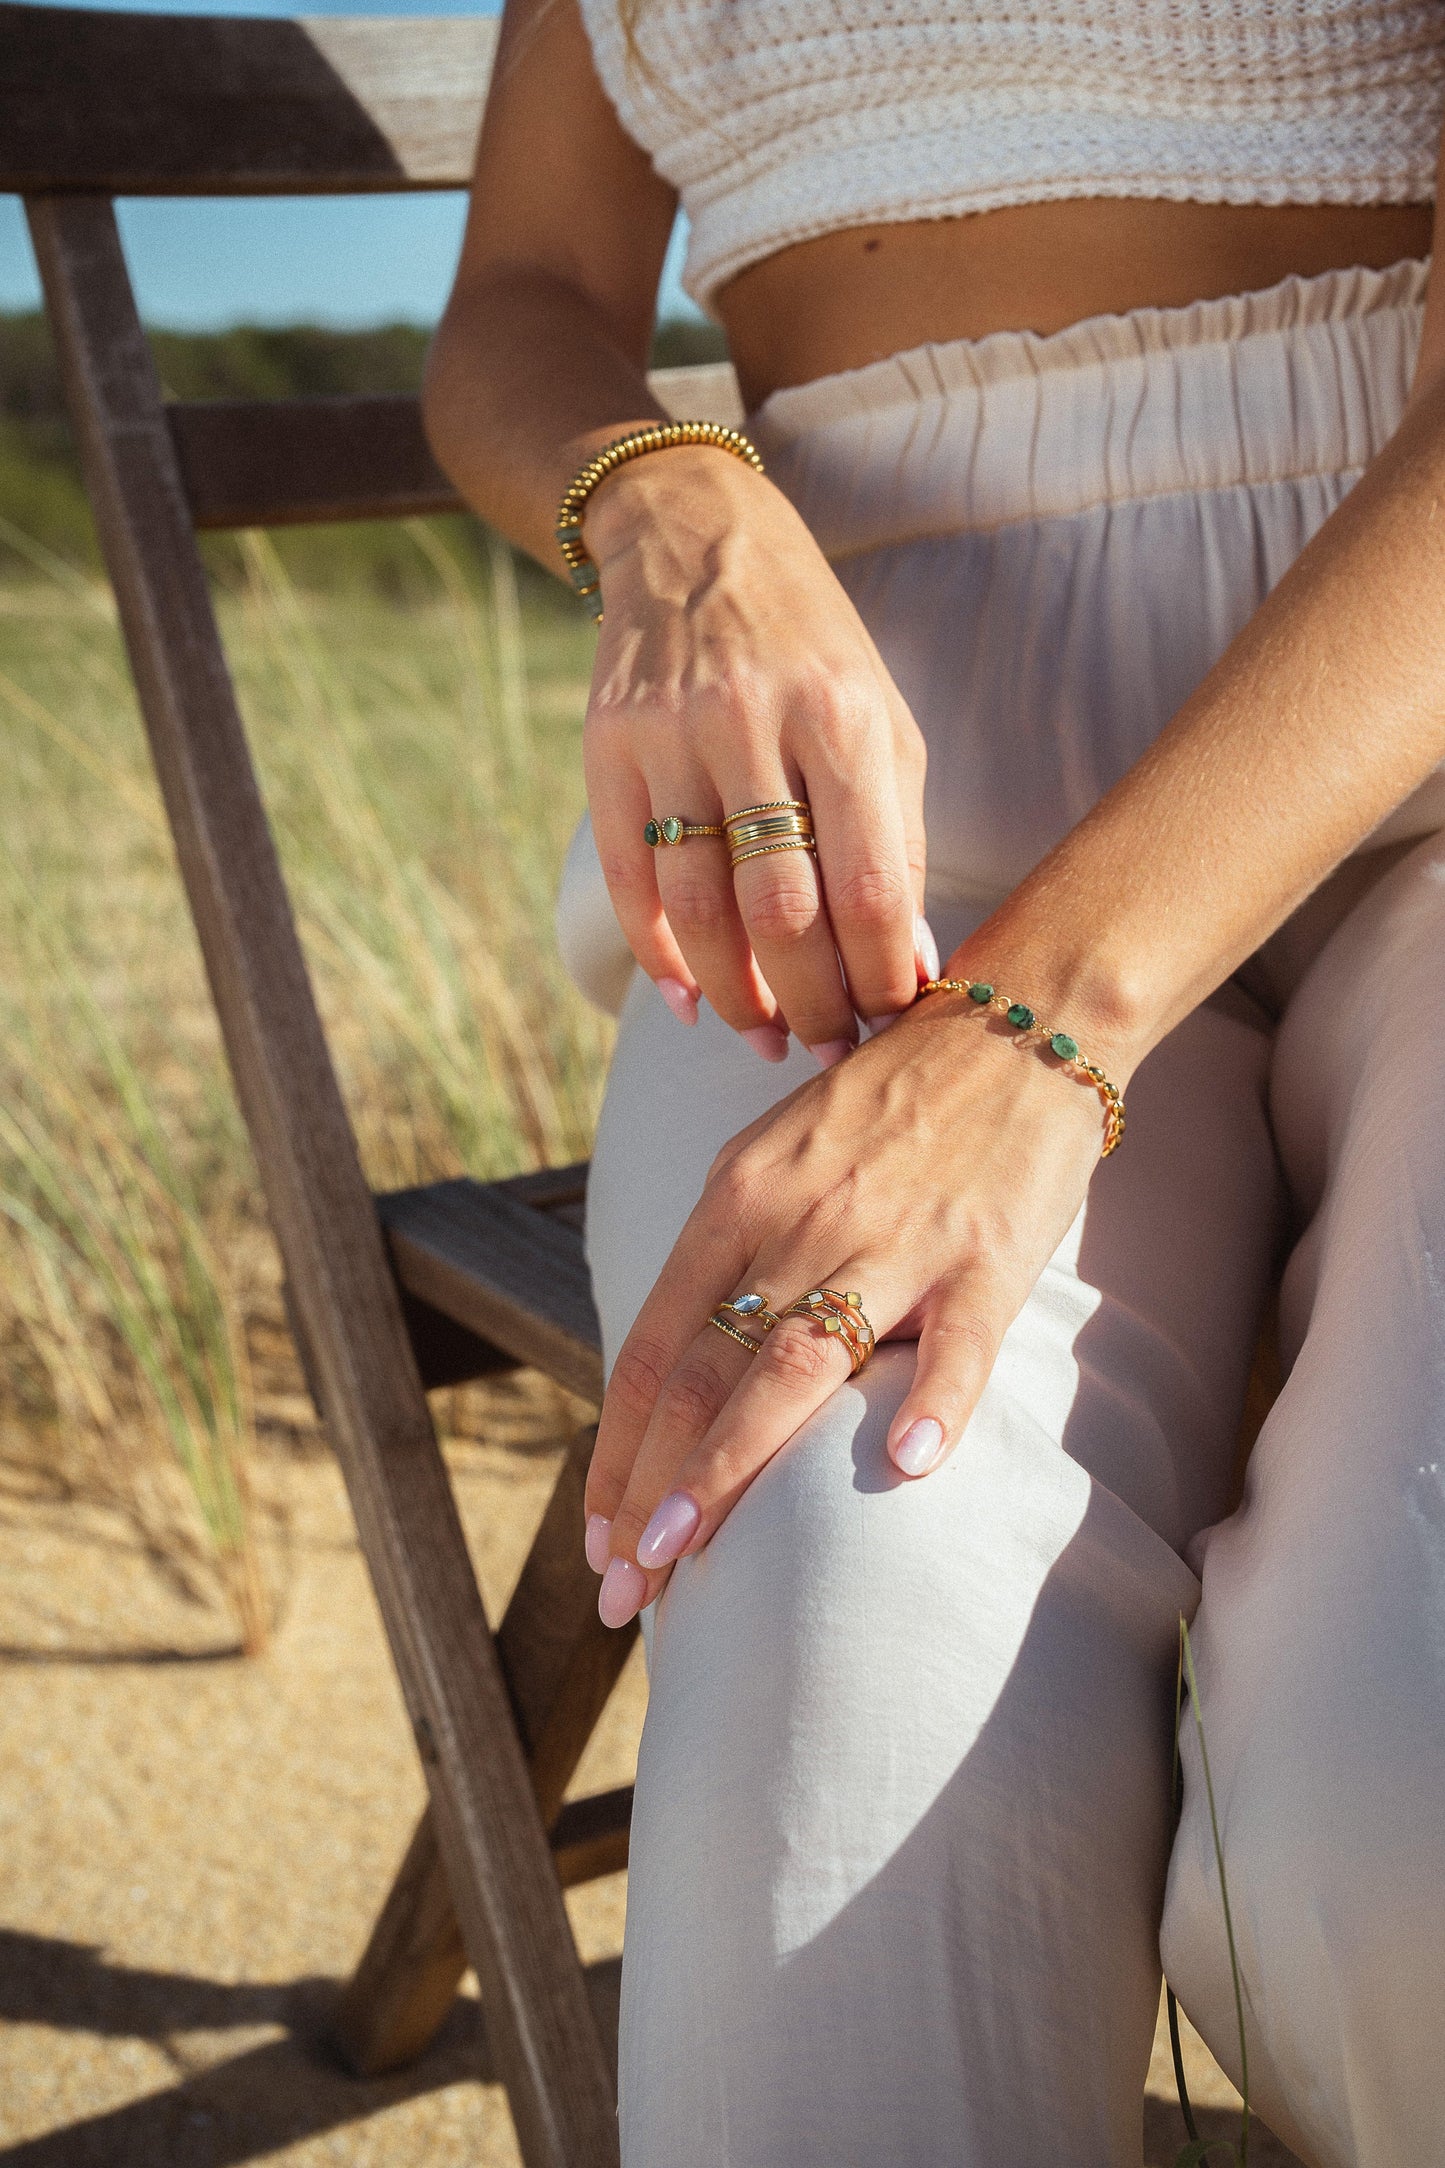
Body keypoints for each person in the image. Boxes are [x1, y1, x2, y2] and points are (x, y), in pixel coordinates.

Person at [423, 5, 1445, 2160]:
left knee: (1406, 1796)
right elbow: (521, 301)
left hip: (1405, 718)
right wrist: (668, 494)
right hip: (871, 832)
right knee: (835, 1617)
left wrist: (1042, 1027)